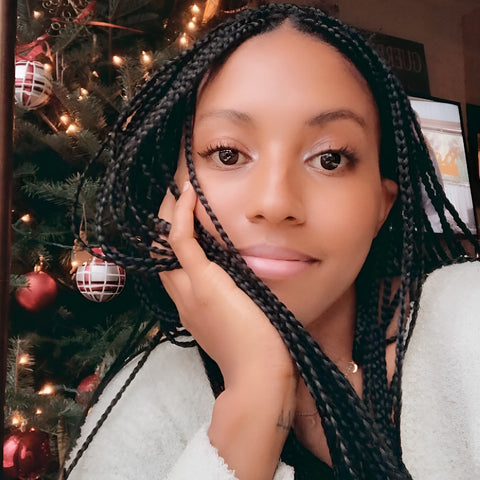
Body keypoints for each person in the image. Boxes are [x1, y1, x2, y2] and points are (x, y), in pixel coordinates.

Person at [64, 4, 480, 479]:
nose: (276, 202)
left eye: (329, 159)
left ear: (381, 206)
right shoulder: (140, 409)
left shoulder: (469, 323)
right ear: (170, 192)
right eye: (227, 153)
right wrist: (256, 395)